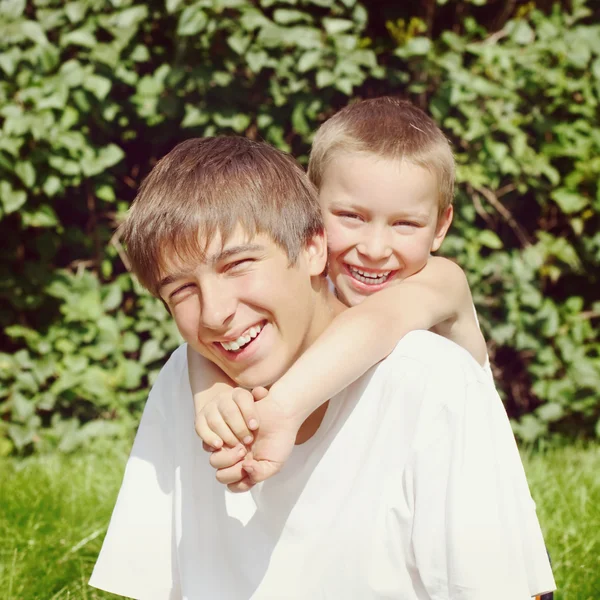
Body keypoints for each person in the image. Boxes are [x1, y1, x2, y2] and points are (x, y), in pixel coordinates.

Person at [90, 136, 555, 599]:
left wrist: (282, 407)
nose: (214, 313)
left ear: (315, 247)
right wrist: (207, 390)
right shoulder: (186, 379)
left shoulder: (428, 376)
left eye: (238, 266)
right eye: (181, 291)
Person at [189, 97, 487, 478]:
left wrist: (282, 408)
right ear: (310, 206)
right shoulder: (312, 291)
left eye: (405, 224)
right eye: (350, 217)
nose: (375, 249)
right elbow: (219, 332)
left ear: (441, 228)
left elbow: (378, 321)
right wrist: (214, 395)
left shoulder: (443, 281)